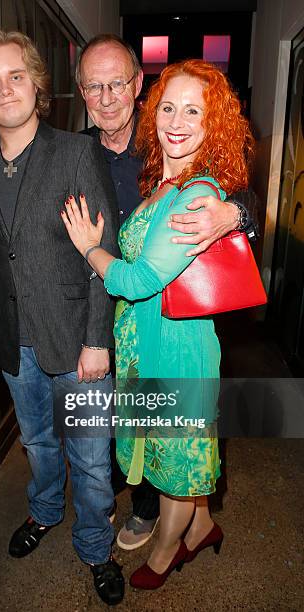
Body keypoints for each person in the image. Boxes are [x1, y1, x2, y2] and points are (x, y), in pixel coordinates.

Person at [61, 58, 254, 589]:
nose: (177, 119)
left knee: (174, 465)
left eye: (195, 111)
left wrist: (91, 250)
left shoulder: (196, 194)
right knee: (177, 450)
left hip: (176, 350)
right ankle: (205, 528)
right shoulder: (162, 182)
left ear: (213, 126)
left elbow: (140, 279)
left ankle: (167, 553)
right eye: (170, 106)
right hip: (150, 345)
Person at [0, 29, 124, 606]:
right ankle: (45, 512)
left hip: (77, 344)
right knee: (38, 443)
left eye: (15, 76)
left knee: (93, 461)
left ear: (37, 83)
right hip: (13, 344)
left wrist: (98, 340)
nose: (5, 90)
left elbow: (106, 251)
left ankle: (96, 547)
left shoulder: (77, 153)